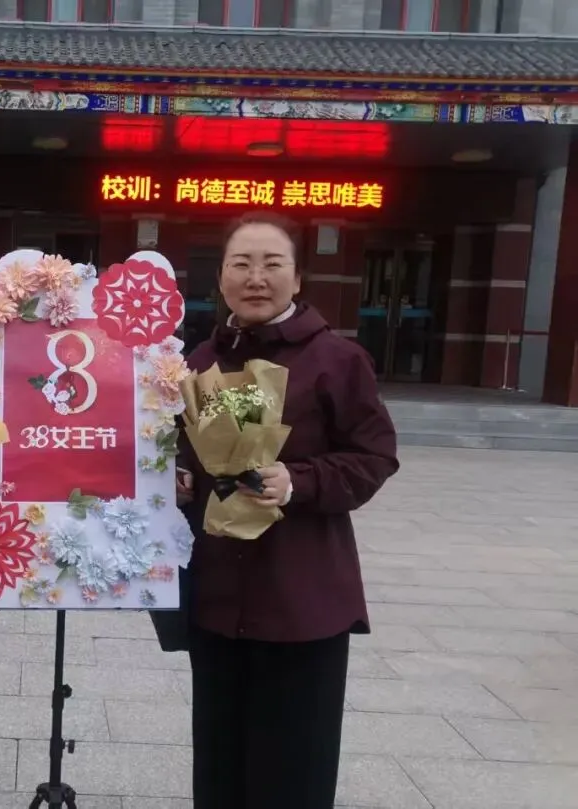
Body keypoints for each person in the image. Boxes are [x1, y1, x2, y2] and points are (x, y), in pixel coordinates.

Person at [177, 211, 399, 808]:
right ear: (220, 277)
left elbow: (374, 456)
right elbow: (184, 450)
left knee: (293, 775)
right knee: (220, 768)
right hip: (219, 601)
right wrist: (177, 478)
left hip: (302, 602)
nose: (256, 278)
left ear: (297, 279)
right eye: (241, 264)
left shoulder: (336, 360)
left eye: (272, 264)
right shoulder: (199, 361)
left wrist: (297, 481)